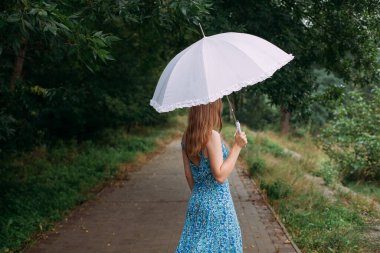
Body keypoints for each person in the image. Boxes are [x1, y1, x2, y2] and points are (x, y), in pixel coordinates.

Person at [175, 98, 248, 252]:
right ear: (210, 109)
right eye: (217, 106)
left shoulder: (186, 137)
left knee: (196, 246)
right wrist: (237, 146)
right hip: (218, 205)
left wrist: (201, 195)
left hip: (197, 201)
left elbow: (188, 175)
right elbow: (220, 175)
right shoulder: (211, 135)